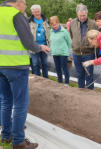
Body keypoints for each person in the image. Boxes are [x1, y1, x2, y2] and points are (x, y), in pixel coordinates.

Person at [0, 0, 50, 148]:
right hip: (16, 66)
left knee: (5, 101)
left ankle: (6, 136)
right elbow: (28, 42)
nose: (25, 7)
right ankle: (18, 141)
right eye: (25, 3)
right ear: (19, 2)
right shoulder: (17, 15)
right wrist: (40, 47)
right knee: (21, 104)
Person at [69, 3, 98, 89]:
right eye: (80, 15)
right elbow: (71, 35)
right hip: (76, 53)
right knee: (79, 74)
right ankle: (81, 92)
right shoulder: (72, 23)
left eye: (84, 15)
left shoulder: (93, 24)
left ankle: (90, 93)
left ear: (87, 13)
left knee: (89, 74)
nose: (82, 17)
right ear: (77, 13)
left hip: (88, 53)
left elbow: (96, 37)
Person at [29, 4, 50, 78]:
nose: (37, 13)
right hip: (34, 46)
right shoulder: (29, 21)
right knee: (35, 64)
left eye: (38, 11)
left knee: (45, 63)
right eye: (35, 12)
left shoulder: (46, 20)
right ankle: (37, 79)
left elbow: (50, 32)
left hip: (44, 45)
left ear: (40, 11)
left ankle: (46, 79)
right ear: (32, 12)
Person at [50, 16, 72, 85]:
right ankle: (59, 81)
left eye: (56, 24)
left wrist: (66, 50)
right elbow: (52, 41)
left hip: (63, 53)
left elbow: (69, 42)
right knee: (57, 68)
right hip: (55, 53)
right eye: (53, 25)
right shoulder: (51, 31)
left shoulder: (64, 31)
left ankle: (66, 82)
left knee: (64, 68)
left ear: (59, 23)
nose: (55, 26)